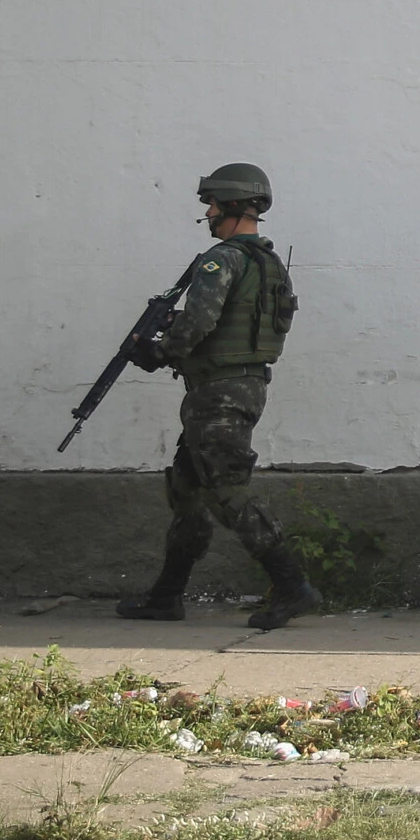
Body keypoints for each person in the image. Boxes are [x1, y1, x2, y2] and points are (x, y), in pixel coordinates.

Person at [114, 164, 319, 630]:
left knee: (226, 490)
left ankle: (292, 585)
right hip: (238, 385)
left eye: (212, 205)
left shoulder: (220, 259)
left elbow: (200, 321)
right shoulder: (267, 262)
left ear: (230, 206)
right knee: (188, 490)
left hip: (220, 391)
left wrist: (160, 352)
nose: (207, 213)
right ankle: (166, 595)